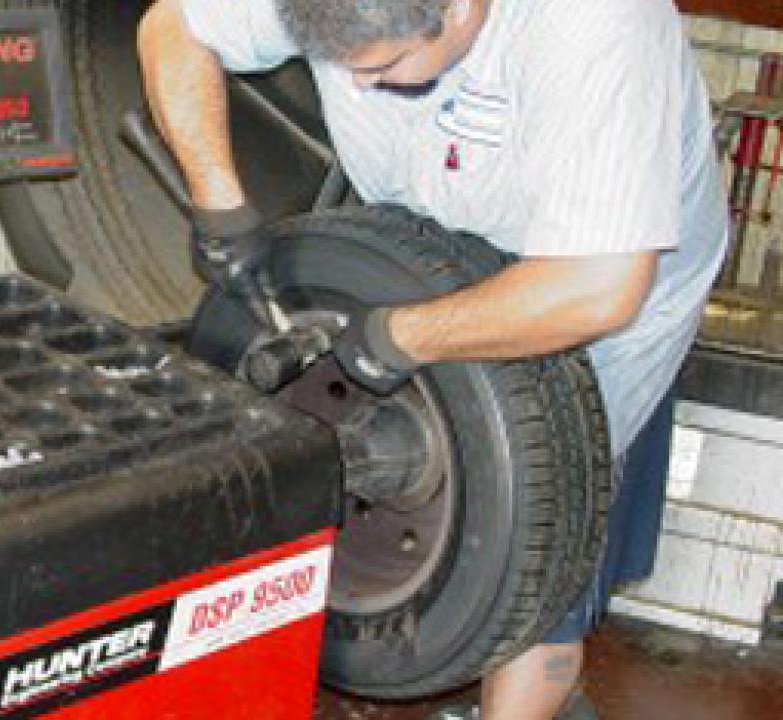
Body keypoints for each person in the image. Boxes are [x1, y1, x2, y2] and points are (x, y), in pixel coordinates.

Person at [137, 0, 728, 718]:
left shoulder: (597, 27)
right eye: (339, 68)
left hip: (592, 283)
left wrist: (400, 338)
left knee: (534, 526)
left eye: (383, 67)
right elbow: (172, 27)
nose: (356, 90)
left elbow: (598, 288)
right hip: (434, 234)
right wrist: (219, 200)